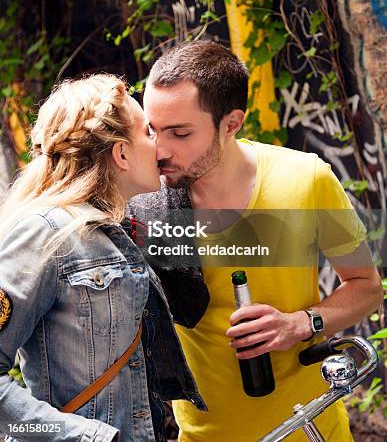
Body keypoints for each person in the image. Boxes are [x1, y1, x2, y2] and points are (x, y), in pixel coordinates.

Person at [129, 41, 383, 442]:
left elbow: (366, 287)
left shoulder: (305, 179)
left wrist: (300, 323)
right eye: (152, 129)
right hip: (204, 436)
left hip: (312, 425)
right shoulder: (143, 204)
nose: (160, 150)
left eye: (179, 132)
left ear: (231, 123)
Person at [0, 74, 206, 442]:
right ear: (121, 154)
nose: (157, 146)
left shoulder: (117, 229)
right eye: (147, 132)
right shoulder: (45, 231)